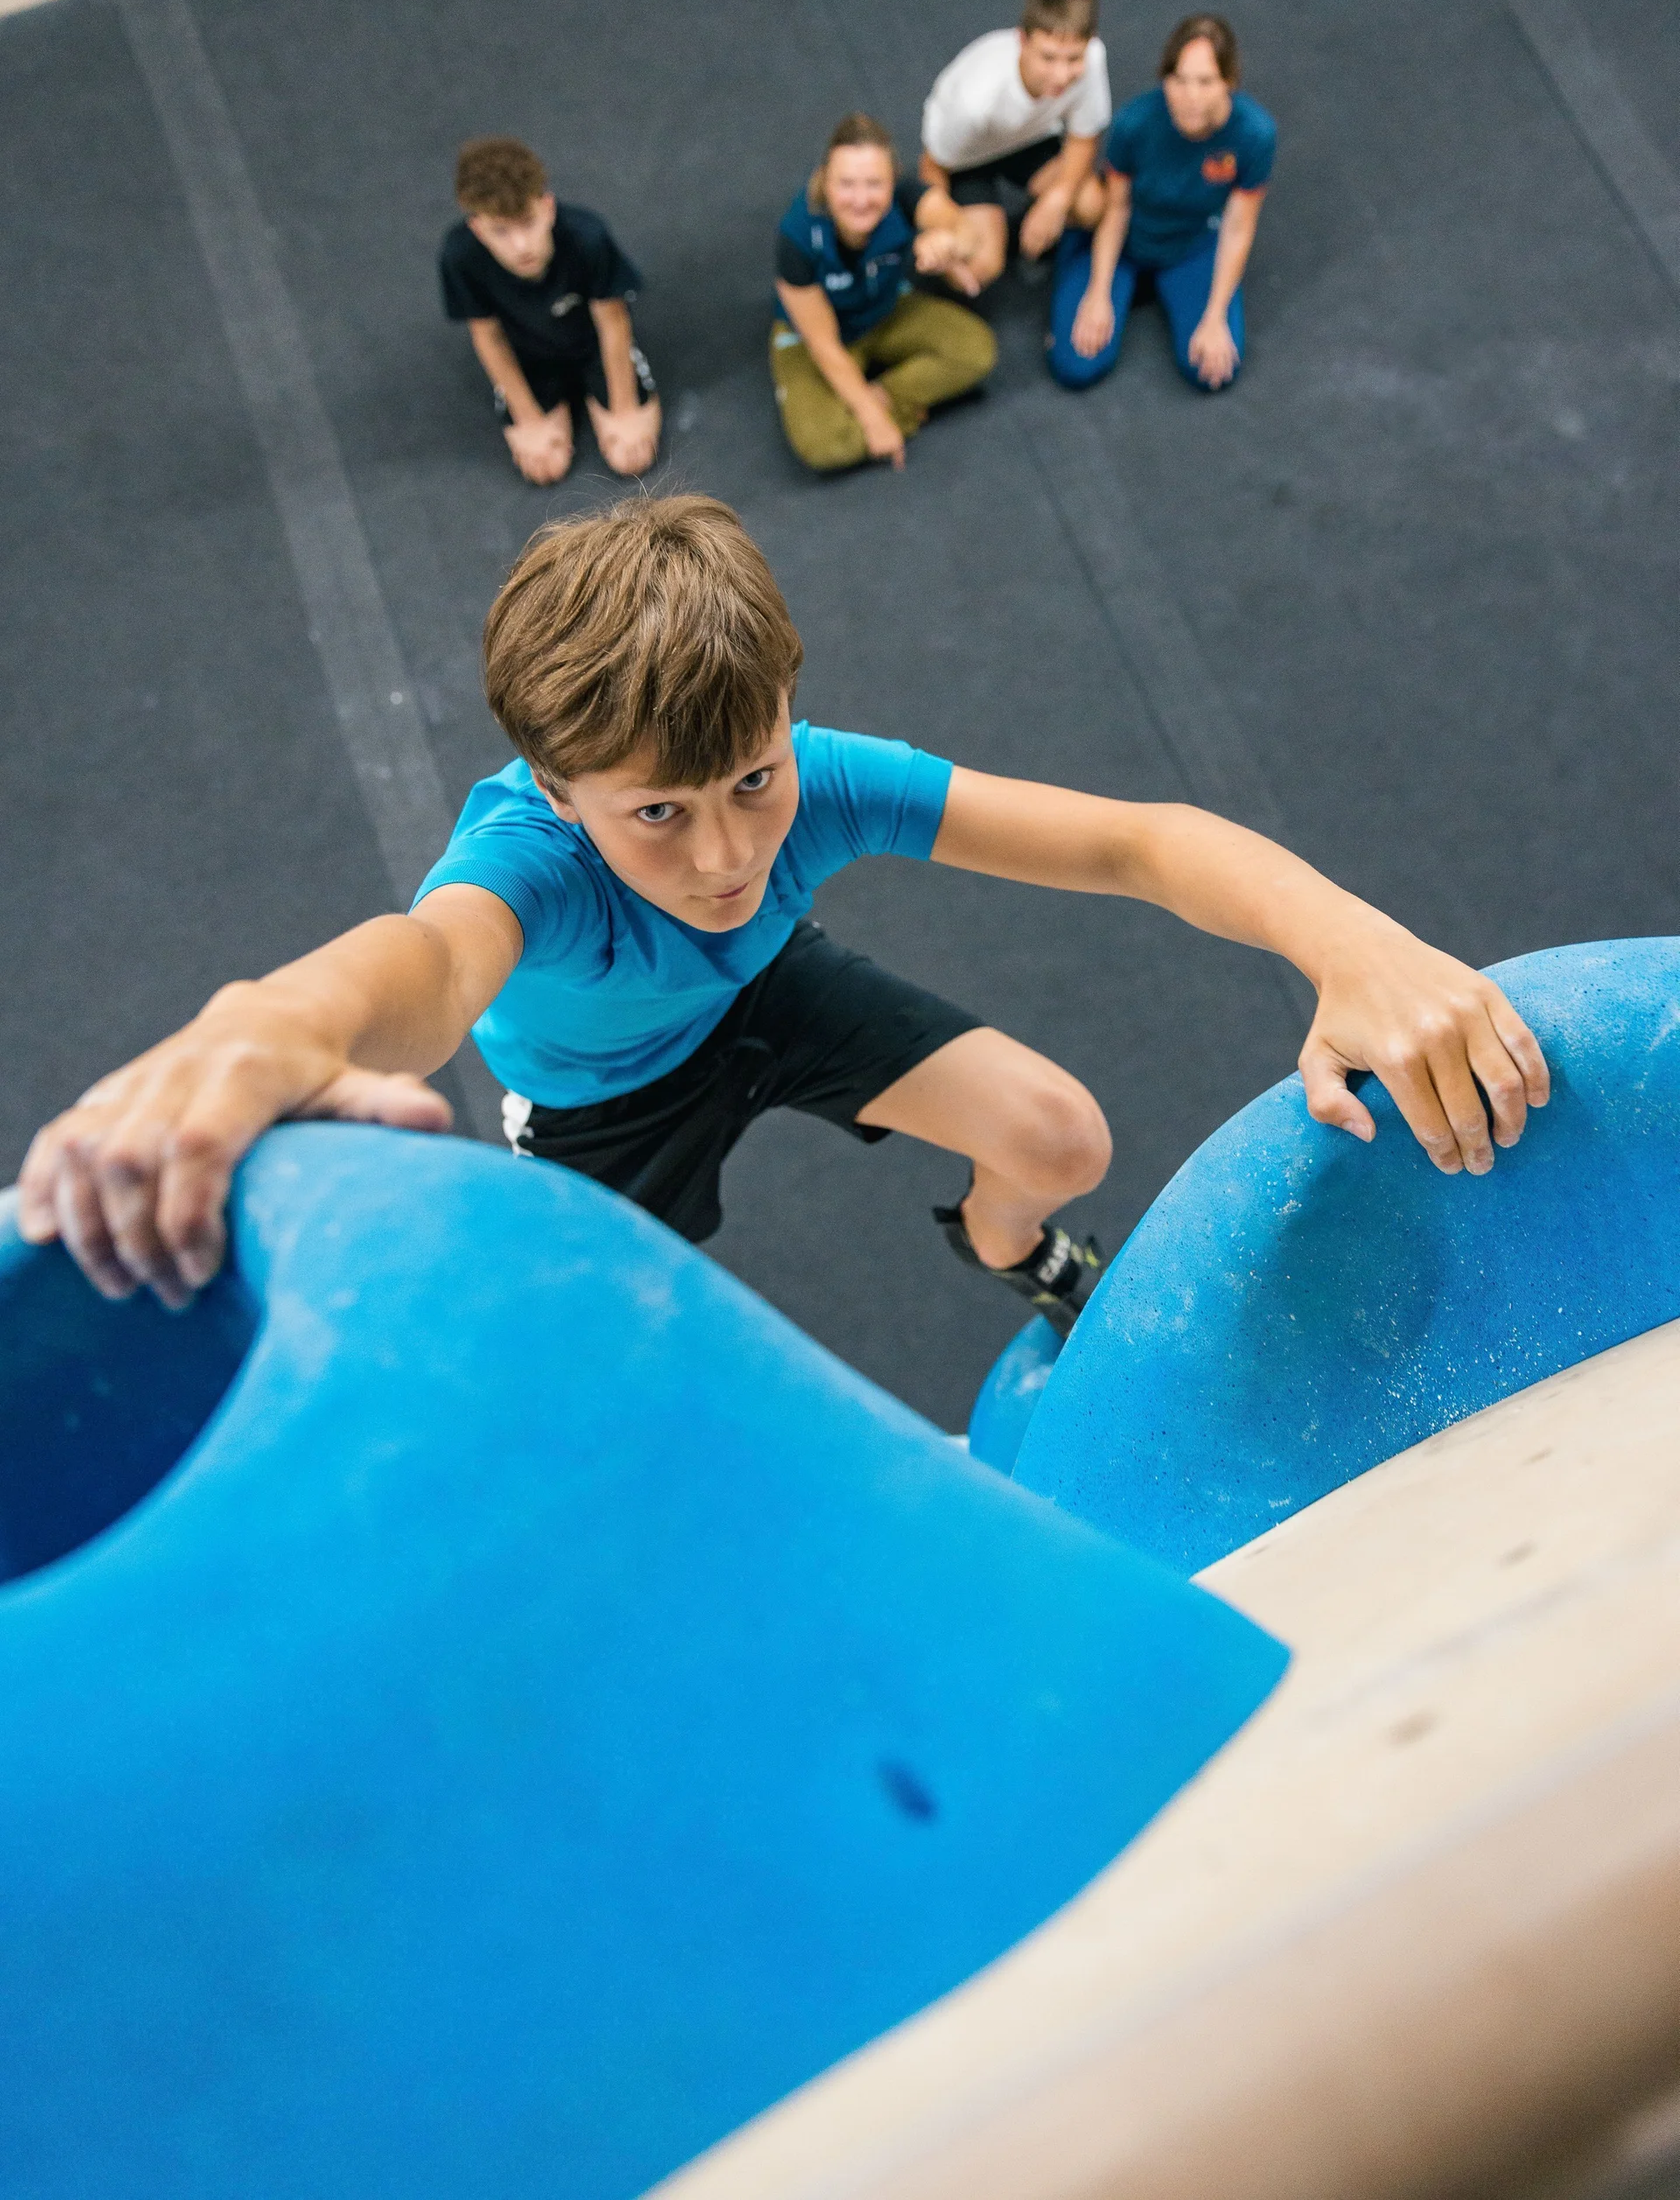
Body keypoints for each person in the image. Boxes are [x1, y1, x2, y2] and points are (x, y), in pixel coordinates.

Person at [20, 498, 1550, 1347]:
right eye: (658, 813)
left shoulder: (811, 783)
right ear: (560, 790)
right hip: (607, 1107)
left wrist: (1349, 938)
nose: (725, 851)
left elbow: (1133, 841)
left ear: (786, 711)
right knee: (622, 1344)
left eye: (752, 776)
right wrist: (270, 1024)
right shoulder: (529, 865)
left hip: (767, 1000)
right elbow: (419, 967)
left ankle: (1015, 1256)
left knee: (1063, 1138)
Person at [1048, 13, 1274, 393]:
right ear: (1164, 78)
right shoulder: (1133, 124)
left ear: (1229, 82)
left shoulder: (1255, 134)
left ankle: (1162, 290)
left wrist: (1216, 316)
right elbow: (1116, 210)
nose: (1191, 98)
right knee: (1076, 367)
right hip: (1124, 245)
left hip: (1190, 246)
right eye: (1179, 81)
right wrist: (1098, 293)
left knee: (1211, 371)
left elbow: (1238, 226)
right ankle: (1079, 263)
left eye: (1206, 82)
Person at [772, 114, 998, 473]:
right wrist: (874, 419)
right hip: (819, 337)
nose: (861, 200)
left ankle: (880, 397)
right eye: (846, 184)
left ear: (892, 182)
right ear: (825, 182)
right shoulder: (796, 238)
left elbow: (967, 232)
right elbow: (824, 345)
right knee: (822, 444)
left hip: (885, 309)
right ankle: (890, 406)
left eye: (874, 184)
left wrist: (950, 242)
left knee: (976, 352)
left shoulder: (908, 195)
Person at [440, 136, 662, 485]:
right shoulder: (459, 255)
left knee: (628, 459)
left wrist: (624, 408)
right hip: (527, 355)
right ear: (478, 228)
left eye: (528, 222)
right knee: (547, 467)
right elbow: (488, 336)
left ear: (548, 207)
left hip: (592, 346)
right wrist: (528, 419)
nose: (521, 246)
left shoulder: (588, 236)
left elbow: (613, 322)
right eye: (500, 231)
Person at [919, 0, 1113, 296]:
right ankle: (996, 231)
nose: (1062, 75)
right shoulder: (974, 102)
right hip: (967, 161)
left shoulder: (1093, 58)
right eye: (1048, 57)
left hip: (1029, 139)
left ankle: (1024, 221)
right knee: (981, 268)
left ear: (1089, 43)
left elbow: (1083, 136)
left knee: (1091, 205)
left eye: (1073, 59)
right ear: (1023, 41)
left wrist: (1056, 201)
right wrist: (948, 237)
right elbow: (933, 166)